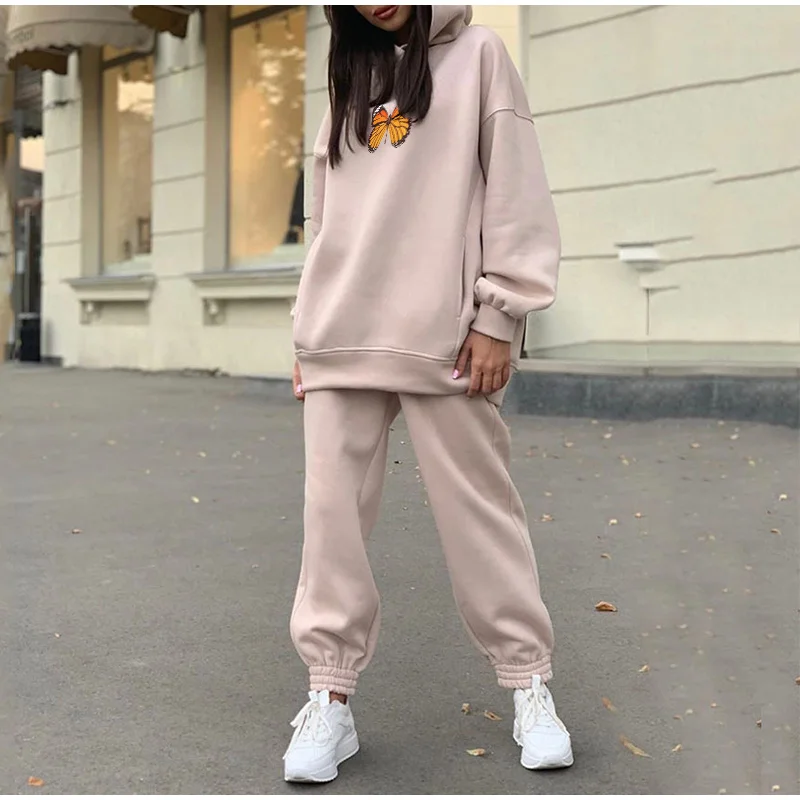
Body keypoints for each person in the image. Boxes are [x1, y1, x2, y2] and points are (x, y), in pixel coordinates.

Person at [284, 5, 572, 783]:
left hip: (446, 334)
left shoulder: (479, 55)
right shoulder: (350, 72)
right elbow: (325, 215)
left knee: (480, 514)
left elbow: (516, 189)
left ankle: (528, 682)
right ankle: (329, 696)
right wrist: (306, 331)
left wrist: (500, 313)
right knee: (330, 522)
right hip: (342, 332)